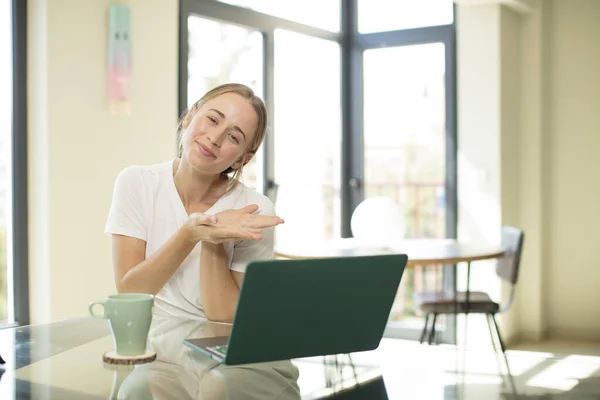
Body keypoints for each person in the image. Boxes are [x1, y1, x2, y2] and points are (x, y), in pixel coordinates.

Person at [105, 83, 284, 322]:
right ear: (191, 115)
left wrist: (213, 239)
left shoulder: (254, 210)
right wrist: (190, 233)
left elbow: (225, 316)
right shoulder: (136, 182)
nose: (215, 138)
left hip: (218, 346)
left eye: (233, 136)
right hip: (151, 343)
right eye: (212, 119)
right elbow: (130, 292)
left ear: (243, 158)